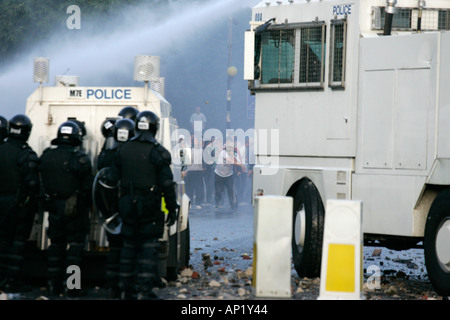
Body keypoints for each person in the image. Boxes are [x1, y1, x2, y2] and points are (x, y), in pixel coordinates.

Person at [108, 110, 178, 300]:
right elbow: (167, 184)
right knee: (148, 248)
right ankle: (143, 291)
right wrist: (172, 208)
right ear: (155, 127)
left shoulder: (121, 150)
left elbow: (111, 180)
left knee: (128, 247)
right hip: (149, 206)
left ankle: (124, 289)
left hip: (127, 206)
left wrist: (113, 208)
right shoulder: (158, 152)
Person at [39, 120, 93, 296]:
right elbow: (88, 188)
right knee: (75, 250)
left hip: (53, 208)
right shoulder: (81, 160)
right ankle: (72, 286)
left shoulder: (46, 156)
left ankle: (53, 285)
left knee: (55, 247)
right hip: (75, 210)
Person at [95, 118, 135, 299]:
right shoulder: (134, 154)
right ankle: (126, 286)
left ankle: (112, 285)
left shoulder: (107, 155)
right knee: (130, 247)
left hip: (110, 209)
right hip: (130, 207)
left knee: (114, 248)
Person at [0, 114, 39, 292]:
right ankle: (11, 280)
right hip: (18, 205)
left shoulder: (2, 148)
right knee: (16, 243)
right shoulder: (26, 154)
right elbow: (32, 184)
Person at [214, 139, 244, 210]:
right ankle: (217, 202)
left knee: (231, 190)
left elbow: (236, 161)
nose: (230, 149)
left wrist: (240, 168)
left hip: (229, 175)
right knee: (218, 191)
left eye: (231, 148)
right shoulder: (223, 153)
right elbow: (230, 160)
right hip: (219, 174)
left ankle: (233, 205)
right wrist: (241, 165)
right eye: (229, 148)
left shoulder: (234, 154)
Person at [183, 136, 205, 209]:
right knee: (189, 188)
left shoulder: (202, 150)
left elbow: (203, 161)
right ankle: (190, 202)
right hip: (190, 171)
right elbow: (186, 162)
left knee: (198, 187)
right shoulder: (190, 150)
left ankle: (198, 203)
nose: (195, 142)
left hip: (198, 171)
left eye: (197, 140)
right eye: (194, 140)